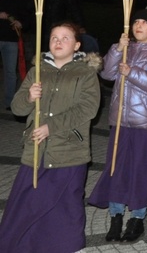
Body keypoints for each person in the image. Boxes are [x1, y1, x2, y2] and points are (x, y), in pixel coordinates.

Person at [0, 21, 101, 252]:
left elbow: (88, 109)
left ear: (76, 45)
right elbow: (17, 108)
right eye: (54, 37)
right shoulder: (37, 71)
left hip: (69, 149)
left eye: (65, 38)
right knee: (28, 201)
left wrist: (50, 126)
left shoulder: (85, 73)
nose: (58, 41)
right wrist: (28, 98)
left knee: (65, 203)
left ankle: (65, 246)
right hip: (37, 149)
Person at [88, 9, 147, 242]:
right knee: (117, 170)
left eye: (145, 22)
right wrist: (117, 49)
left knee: (141, 172)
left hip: (145, 124)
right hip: (120, 121)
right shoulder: (125, 48)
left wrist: (132, 72)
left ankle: (137, 218)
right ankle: (116, 217)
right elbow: (106, 73)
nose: (139, 25)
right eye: (136, 21)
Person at [0, 0, 26, 109]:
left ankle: (9, 102)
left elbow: (24, 14)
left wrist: (20, 22)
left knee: (10, 72)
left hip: (11, 40)